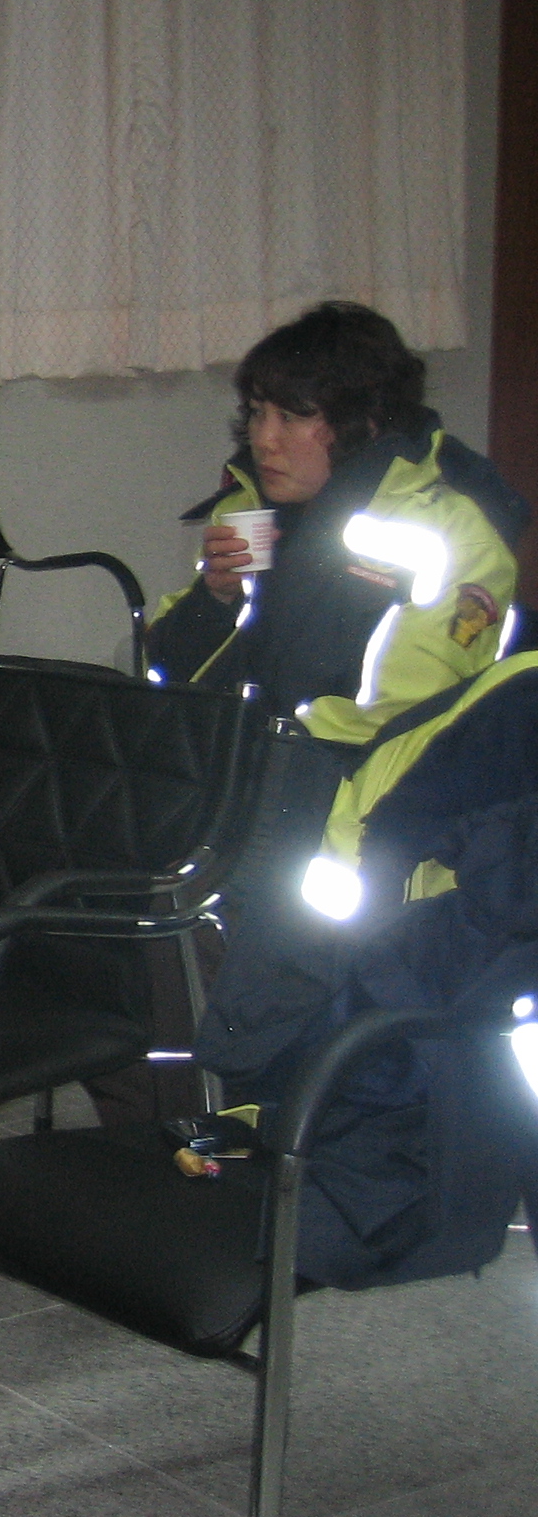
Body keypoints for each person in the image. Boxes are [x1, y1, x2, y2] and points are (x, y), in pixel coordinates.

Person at [146, 303, 528, 1107]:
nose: (265, 438)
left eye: (293, 416)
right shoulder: (254, 511)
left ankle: (250, 1098)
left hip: (352, 785)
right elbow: (167, 667)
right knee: (101, 862)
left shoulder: (447, 523)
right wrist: (217, 598)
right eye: (257, 412)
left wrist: (272, 718)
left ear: (361, 421)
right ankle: (176, 1095)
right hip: (239, 759)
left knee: (213, 890)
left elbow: (412, 714)